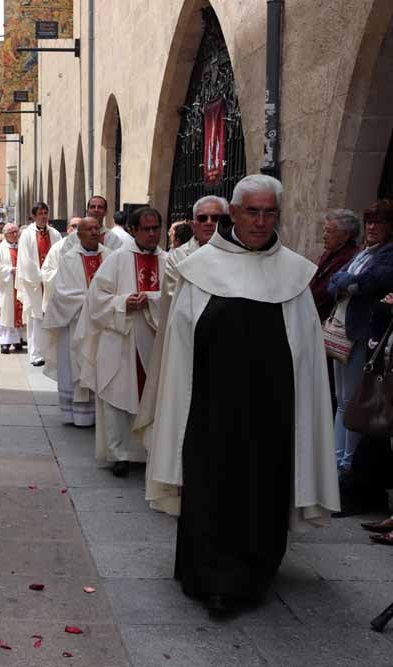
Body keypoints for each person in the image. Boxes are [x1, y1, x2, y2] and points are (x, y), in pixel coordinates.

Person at [146, 174, 340, 615]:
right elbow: (179, 343)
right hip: (209, 411)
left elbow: (307, 351)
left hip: (272, 413)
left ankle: (254, 573)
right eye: (251, 211)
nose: (260, 220)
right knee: (211, 490)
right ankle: (210, 577)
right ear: (233, 214)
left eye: (269, 212)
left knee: (261, 493)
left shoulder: (292, 272)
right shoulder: (198, 269)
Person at [75, 207, 165, 477]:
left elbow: (177, 299)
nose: (152, 234)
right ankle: (120, 454)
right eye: (146, 229)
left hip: (154, 340)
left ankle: (150, 451)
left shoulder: (169, 261)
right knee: (117, 396)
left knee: (153, 397)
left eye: (156, 228)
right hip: (121, 338)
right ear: (133, 230)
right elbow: (96, 298)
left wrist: (151, 301)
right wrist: (123, 302)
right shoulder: (116, 260)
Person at [135, 196, 226, 449]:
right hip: (189, 341)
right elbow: (175, 298)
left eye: (216, 218)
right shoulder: (178, 257)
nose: (209, 223)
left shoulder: (238, 254)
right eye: (203, 218)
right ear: (193, 223)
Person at [327, 200, 393, 475]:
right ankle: (335, 459)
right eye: (369, 222)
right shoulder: (363, 253)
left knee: (353, 402)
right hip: (342, 331)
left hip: (363, 334)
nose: (372, 227)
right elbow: (334, 282)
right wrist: (348, 282)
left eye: (378, 222)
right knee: (342, 399)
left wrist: (349, 282)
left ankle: (346, 464)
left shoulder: (387, 254)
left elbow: (372, 282)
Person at [41, 217, 111, 427]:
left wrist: (103, 302)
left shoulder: (110, 257)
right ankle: (76, 415)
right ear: (78, 234)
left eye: (96, 228)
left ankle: (100, 414)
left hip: (103, 323)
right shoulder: (69, 259)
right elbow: (61, 293)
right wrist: (92, 300)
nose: (94, 232)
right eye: (89, 229)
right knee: (75, 365)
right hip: (75, 323)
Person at [16, 202, 62, 366]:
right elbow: (25, 260)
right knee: (36, 319)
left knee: (50, 317)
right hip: (34, 284)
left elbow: (60, 255)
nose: (44, 216)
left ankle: (50, 352)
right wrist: (41, 277)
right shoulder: (27, 235)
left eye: (46, 212)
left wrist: (52, 276)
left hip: (51, 282)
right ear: (34, 216)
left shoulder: (55, 234)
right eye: (41, 213)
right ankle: (35, 354)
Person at [311, 210, 361, 325]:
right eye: (325, 230)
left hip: (326, 320)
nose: (324, 236)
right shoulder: (329, 252)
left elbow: (328, 291)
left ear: (345, 235)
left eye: (329, 231)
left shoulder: (352, 257)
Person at [0, 223, 26, 354]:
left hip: (20, 285)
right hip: (6, 286)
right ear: (6, 234)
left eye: (16, 232)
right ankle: (5, 342)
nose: (15, 235)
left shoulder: (22, 248)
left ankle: (18, 339)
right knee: (5, 314)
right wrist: (9, 270)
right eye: (12, 232)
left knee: (21, 311)